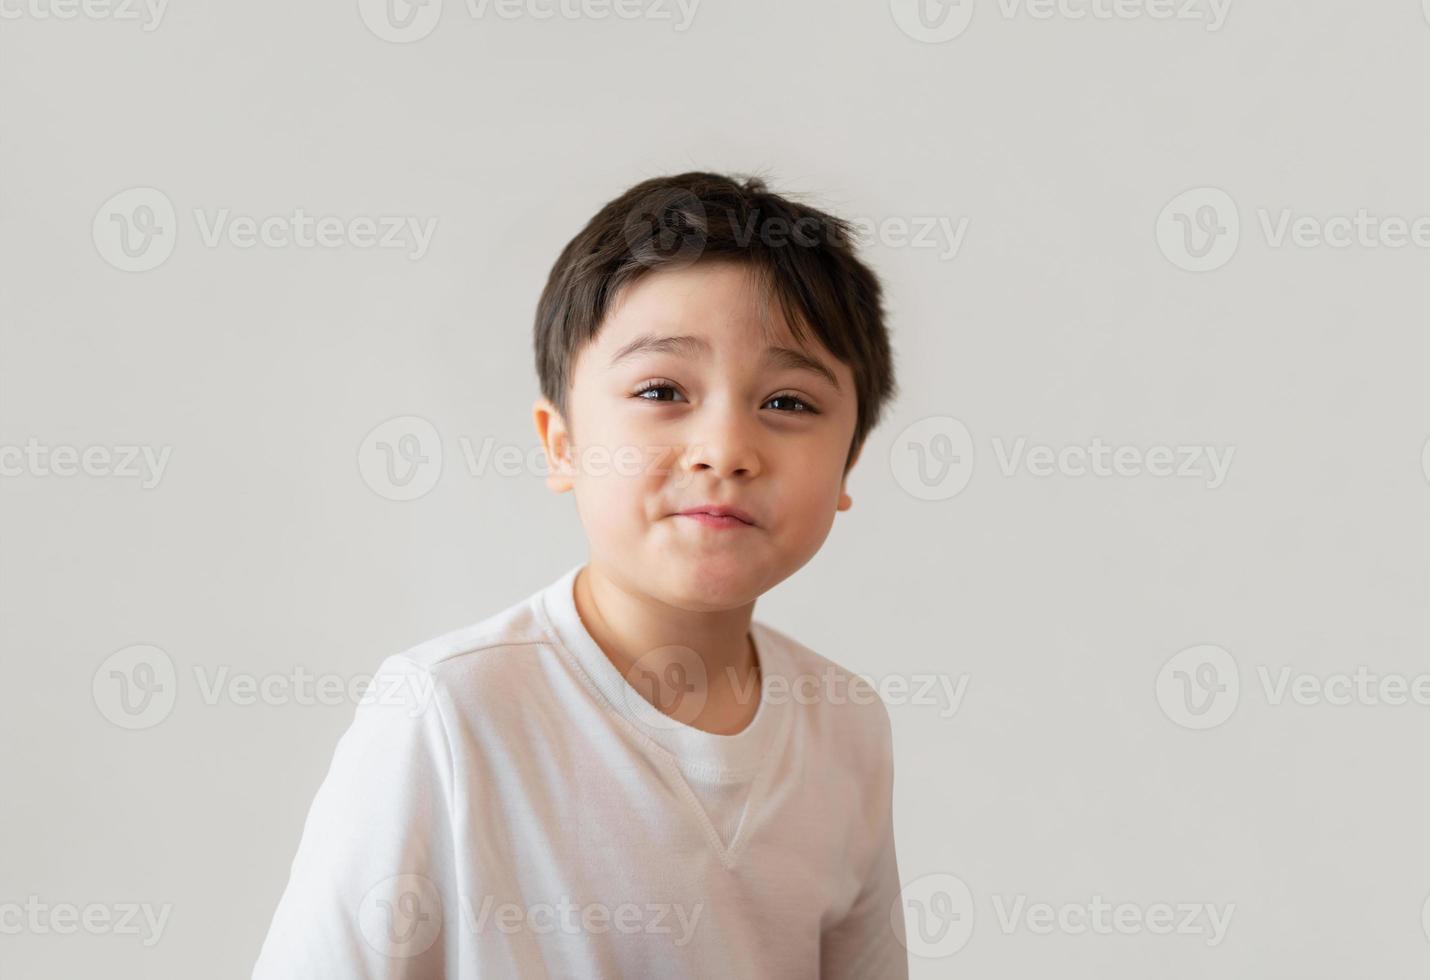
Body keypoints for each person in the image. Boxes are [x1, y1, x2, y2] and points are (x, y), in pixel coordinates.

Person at [252, 171, 908, 978]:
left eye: (789, 403)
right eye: (662, 390)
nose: (725, 448)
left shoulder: (847, 726)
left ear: (849, 463)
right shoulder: (446, 713)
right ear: (560, 443)